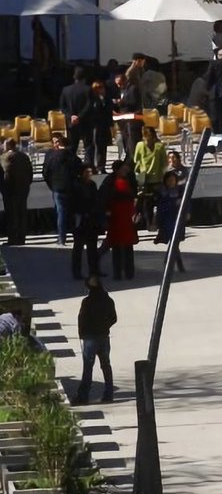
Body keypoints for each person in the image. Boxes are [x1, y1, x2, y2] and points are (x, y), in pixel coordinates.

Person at [74, 275, 116, 405]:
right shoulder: (108, 300)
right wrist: (104, 327)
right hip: (103, 337)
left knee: (88, 367)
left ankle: (83, 396)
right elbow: (113, 318)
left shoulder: (87, 301)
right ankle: (108, 394)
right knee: (106, 365)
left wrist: (82, 334)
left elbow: (82, 319)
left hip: (90, 338)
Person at [42, 133, 82, 247]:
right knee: (73, 212)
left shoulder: (52, 156)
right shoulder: (72, 156)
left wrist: (51, 185)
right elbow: (80, 168)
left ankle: (61, 238)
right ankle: (76, 235)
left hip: (57, 188)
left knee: (60, 213)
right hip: (70, 187)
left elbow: (45, 172)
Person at [104, 161, 139, 281]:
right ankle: (117, 272)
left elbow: (135, 194)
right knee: (117, 245)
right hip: (116, 215)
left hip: (128, 214)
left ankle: (130, 272)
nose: (126, 170)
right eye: (123, 168)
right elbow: (105, 196)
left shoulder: (130, 178)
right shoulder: (110, 180)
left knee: (128, 245)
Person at [71, 164, 103, 280]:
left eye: (90, 172)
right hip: (80, 219)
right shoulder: (75, 185)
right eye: (86, 172)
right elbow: (73, 203)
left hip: (91, 219)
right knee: (78, 247)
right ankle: (77, 271)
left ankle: (94, 270)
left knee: (92, 247)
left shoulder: (92, 185)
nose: (89, 174)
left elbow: (96, 200)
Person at [133, 126, 167, 231]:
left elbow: (163, 163)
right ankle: (148, 224)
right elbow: (136, 159)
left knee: (153, 203)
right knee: (146, 203)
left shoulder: (159, 147)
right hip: (145, 180)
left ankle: (153, 223)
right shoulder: (141, 145)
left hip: (154, 179)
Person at [1, 139, 33, 245]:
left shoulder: (5, 157)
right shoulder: (24, 156)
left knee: (11, 215)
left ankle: (13, 238)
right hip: (23, 189)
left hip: (11, 190)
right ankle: (21, 238)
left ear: (9, 146)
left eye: (4, 145)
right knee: (22, 213)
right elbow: (30, 172)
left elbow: (6, 175)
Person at [154, 170, 186, 272]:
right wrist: (173, 203)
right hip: (167, 219)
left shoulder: (180, 191)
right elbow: (160, 207)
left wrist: (187, 211)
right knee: (173, 241)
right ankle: (178, 264)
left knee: (174, 241)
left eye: (173, 180)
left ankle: (168, 260)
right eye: (169, 180)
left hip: (177, 218)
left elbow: (187, 202)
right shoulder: (162, 192)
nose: (171, 182)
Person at [59, 66, 92, 156]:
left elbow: (62, 107)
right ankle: (88, 165)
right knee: (88, 146)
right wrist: (79, 116)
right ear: (85, 77)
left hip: (71, 123)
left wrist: (71, 116)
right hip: (85, 122)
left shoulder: (66, 90)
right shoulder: (88, 89)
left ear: (74, 77)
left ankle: (71, 165)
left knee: (72, 146)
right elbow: (89, 105)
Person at [111, 71, 141, 160]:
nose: (119, 86)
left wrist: (121, 102)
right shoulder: (122, 90)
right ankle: (128, 156)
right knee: (125, 140)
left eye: (120, 83)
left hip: (132, 119)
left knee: (132, 141)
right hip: (123, 119)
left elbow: (134, 102)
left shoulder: (133, 89)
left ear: (125, 81)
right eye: (117, 84)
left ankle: (132, 158)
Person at [86, 79, 113, 172]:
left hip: (104, 125)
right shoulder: (91, 99)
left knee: (103, 146)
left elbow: (109, 110)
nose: (100, 90)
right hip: (94, 125)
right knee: (94, 145)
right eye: (97, 88)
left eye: (102, 87)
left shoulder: (107, 99)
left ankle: (101, 166)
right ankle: (92, 166)